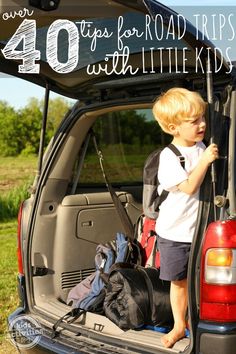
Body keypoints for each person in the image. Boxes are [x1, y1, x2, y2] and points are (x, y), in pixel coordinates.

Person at [152, 87, 218, 348]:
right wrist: (205, 161)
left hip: (199, 231)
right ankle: (179, 325)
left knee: (200, 280)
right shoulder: (169, 157)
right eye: (194, 121)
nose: (202, 124)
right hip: (175, 234)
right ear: (173, 127)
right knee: (179, 283)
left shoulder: (200, 145)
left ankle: (195, 321)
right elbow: (190, 187)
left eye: (202, 118)